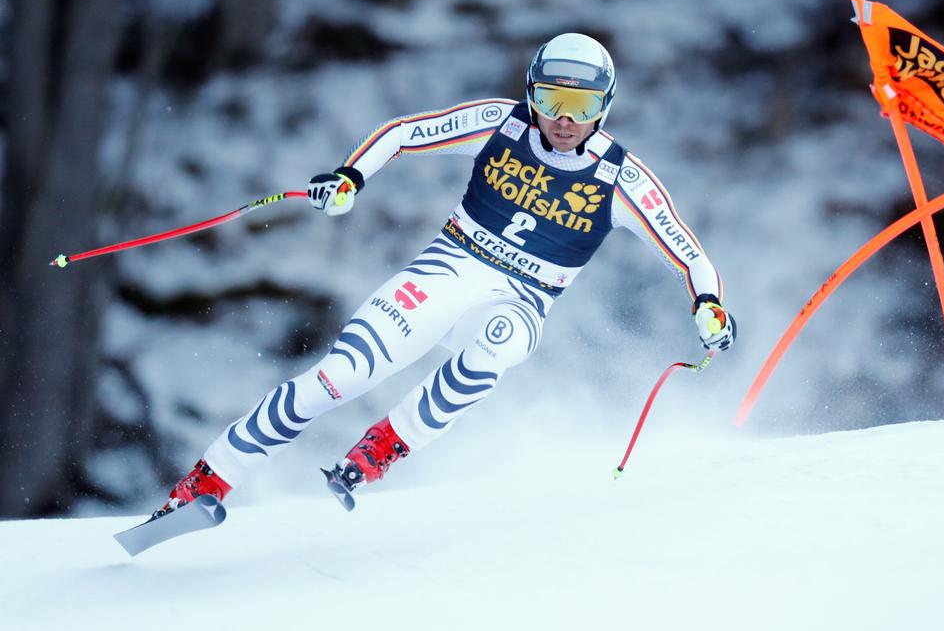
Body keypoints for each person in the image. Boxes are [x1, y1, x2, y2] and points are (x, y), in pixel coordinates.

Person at [153, 33, 736, 517]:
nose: (562, 119)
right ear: (530, 93)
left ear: (604, 107)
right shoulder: (500, 125)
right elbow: (404, 132)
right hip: (450, 266)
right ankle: (207, 480)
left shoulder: (621, 177)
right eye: (550, 99)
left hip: (523, 298)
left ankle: (384, 445)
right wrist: (350, 177)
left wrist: (707, 304)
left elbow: (687, 252)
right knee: (341, 376)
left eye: (580, 107)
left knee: (500, 344)